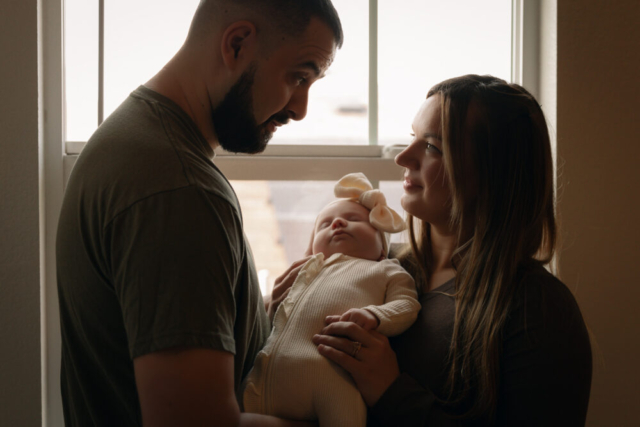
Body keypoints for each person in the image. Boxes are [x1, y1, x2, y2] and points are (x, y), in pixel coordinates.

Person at [55, 1, 343, 426]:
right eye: (298, 76)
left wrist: (250, 317)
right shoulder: (177, 189)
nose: (300, 107)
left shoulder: (135, 139)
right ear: (238, 43)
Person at [305, 75, 593, 425]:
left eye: (432, 147)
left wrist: (390, 391)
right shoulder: (376, 266)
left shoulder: (537, 307)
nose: (403, 158)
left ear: (493, 174)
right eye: (413, 138)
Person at [243, 173, 421, 427]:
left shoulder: (386, 269)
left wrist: (375, 316)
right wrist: (271, 308)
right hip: (267, 374)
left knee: (346, 408)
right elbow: (279, 314)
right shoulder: (305, 272)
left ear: (382, 248)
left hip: (334, 375)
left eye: (353, 219)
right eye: (324, 224)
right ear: (312, 249)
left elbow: (407, 305)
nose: (337, 222)